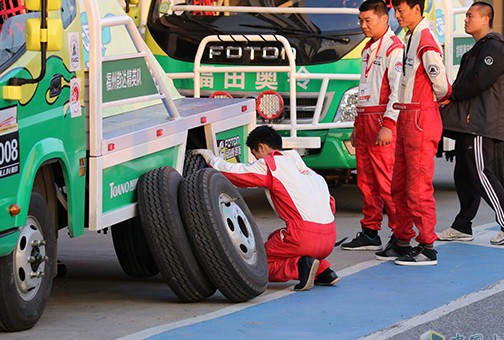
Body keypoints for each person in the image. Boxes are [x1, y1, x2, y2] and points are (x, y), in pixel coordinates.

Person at [192, 126, 339, 291]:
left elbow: (236, 173)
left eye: (255, 155)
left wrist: (212, 159)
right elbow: (330, 205)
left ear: (262, 147)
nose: (256, 161)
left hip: (302, 236)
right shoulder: (310, 172)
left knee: (255, 264)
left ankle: (299, 267)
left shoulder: (272, 164)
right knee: (275, 237)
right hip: (329, 237)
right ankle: (324, 271)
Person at [438, 2, 504, 245]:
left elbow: (478, 81)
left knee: (480, 173)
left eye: (470, 16)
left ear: (486, 19)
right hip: (469, 122)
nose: (466, 20)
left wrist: (450, 94)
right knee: (464, 174)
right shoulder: (476, 49)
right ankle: (462, 226)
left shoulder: (494, 48)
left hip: (480, 123)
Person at [375, 0, 452, 266]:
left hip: (420, 116)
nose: (397, 15)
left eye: (401, 10)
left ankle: (427, 245)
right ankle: (403, 239)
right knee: (399, 185)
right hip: (408, 116)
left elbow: (440, 82)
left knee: (418, 187)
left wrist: (439, 98)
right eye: (396, 10)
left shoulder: (426, 40)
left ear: (417, 9)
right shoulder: (411, 36)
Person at [340, 0, 404, 252]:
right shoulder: (368, 49)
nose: (363, 25)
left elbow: (397, 91)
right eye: (361, 20)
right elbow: (365, 90)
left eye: (368, 21)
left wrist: (388, 124)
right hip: (365, 118)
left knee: (386, 181)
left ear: (384, 19)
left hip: (381, 120)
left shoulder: (393, 49)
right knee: (365, 180)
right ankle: (370, 230)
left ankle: (400, 234)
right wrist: (357, 124)